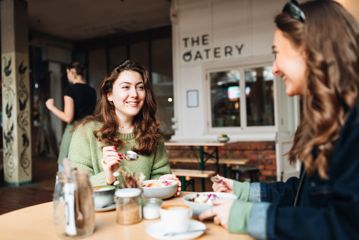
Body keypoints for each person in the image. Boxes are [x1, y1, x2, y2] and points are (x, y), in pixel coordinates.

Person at [199, 0, 359, 239]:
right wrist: (243, 191)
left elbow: (347, 228)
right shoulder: (331, 117)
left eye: (277, 53)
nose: (274, 69)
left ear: (309, 49)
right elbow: (303, 195)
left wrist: (247, 216)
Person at [68, 60, 179, 190]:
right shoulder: (86, 131)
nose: (134, 94)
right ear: (109, 94)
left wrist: (166, 183)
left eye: (140, 87)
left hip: (142, 209)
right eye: (126, 87)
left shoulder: (152, 134)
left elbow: (158, 179)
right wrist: (108, 178)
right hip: (100, 210)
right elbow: (74, 186)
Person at [46, 62, 97, 166]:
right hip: (89, 129)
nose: (67, 76)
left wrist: (51, 107)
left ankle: (64, 183)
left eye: (67, 73)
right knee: (84, 164)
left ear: (71, 72)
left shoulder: (70, 89)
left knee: (64, 164)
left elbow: (68, 118)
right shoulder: (92, 90)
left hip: (74, 129)